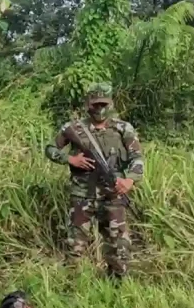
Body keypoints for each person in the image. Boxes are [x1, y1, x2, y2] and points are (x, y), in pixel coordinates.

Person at [44, 82, 144, 279]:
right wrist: (70, 159)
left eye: (103, 104)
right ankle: (72, 287)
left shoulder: (123, 128)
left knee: (119, 246)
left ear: (111, 103)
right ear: (87, 103)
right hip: (82, 195)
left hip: (113, 194)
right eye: (95, 104)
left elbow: (137, 158)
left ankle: (118, 286)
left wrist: (130, 180)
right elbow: (50, 148)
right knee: (75, 246)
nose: (99, 109)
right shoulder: (73, 128)